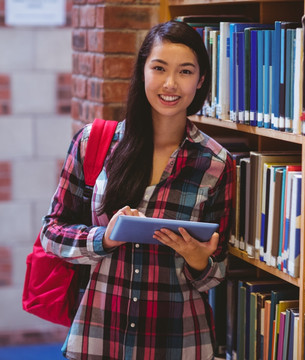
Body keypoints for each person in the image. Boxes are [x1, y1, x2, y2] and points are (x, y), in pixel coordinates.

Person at [41, 20, 234, 359]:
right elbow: (51, 233)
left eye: (185, 72)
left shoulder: (217, 163)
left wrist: (200, 262)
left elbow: (216, 273)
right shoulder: (93, 143)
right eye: (159, 68)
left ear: (201, 80)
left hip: (178, 342)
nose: (170, 84)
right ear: (142, 71)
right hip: (100, 337)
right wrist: (104, 238)